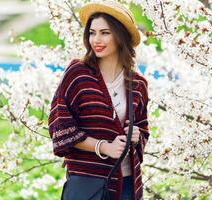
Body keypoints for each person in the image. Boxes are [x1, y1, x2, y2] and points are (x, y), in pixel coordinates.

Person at [48, 1, 149, 199]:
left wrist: (136, 135)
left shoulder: (138, 84)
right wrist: (104, 147)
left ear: (120, 36)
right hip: (89, 184)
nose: (96, 39)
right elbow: (59, 128)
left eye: (105, 32)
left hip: (127, 184)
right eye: (92, 33)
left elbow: (144, 129)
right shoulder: (78, 73)